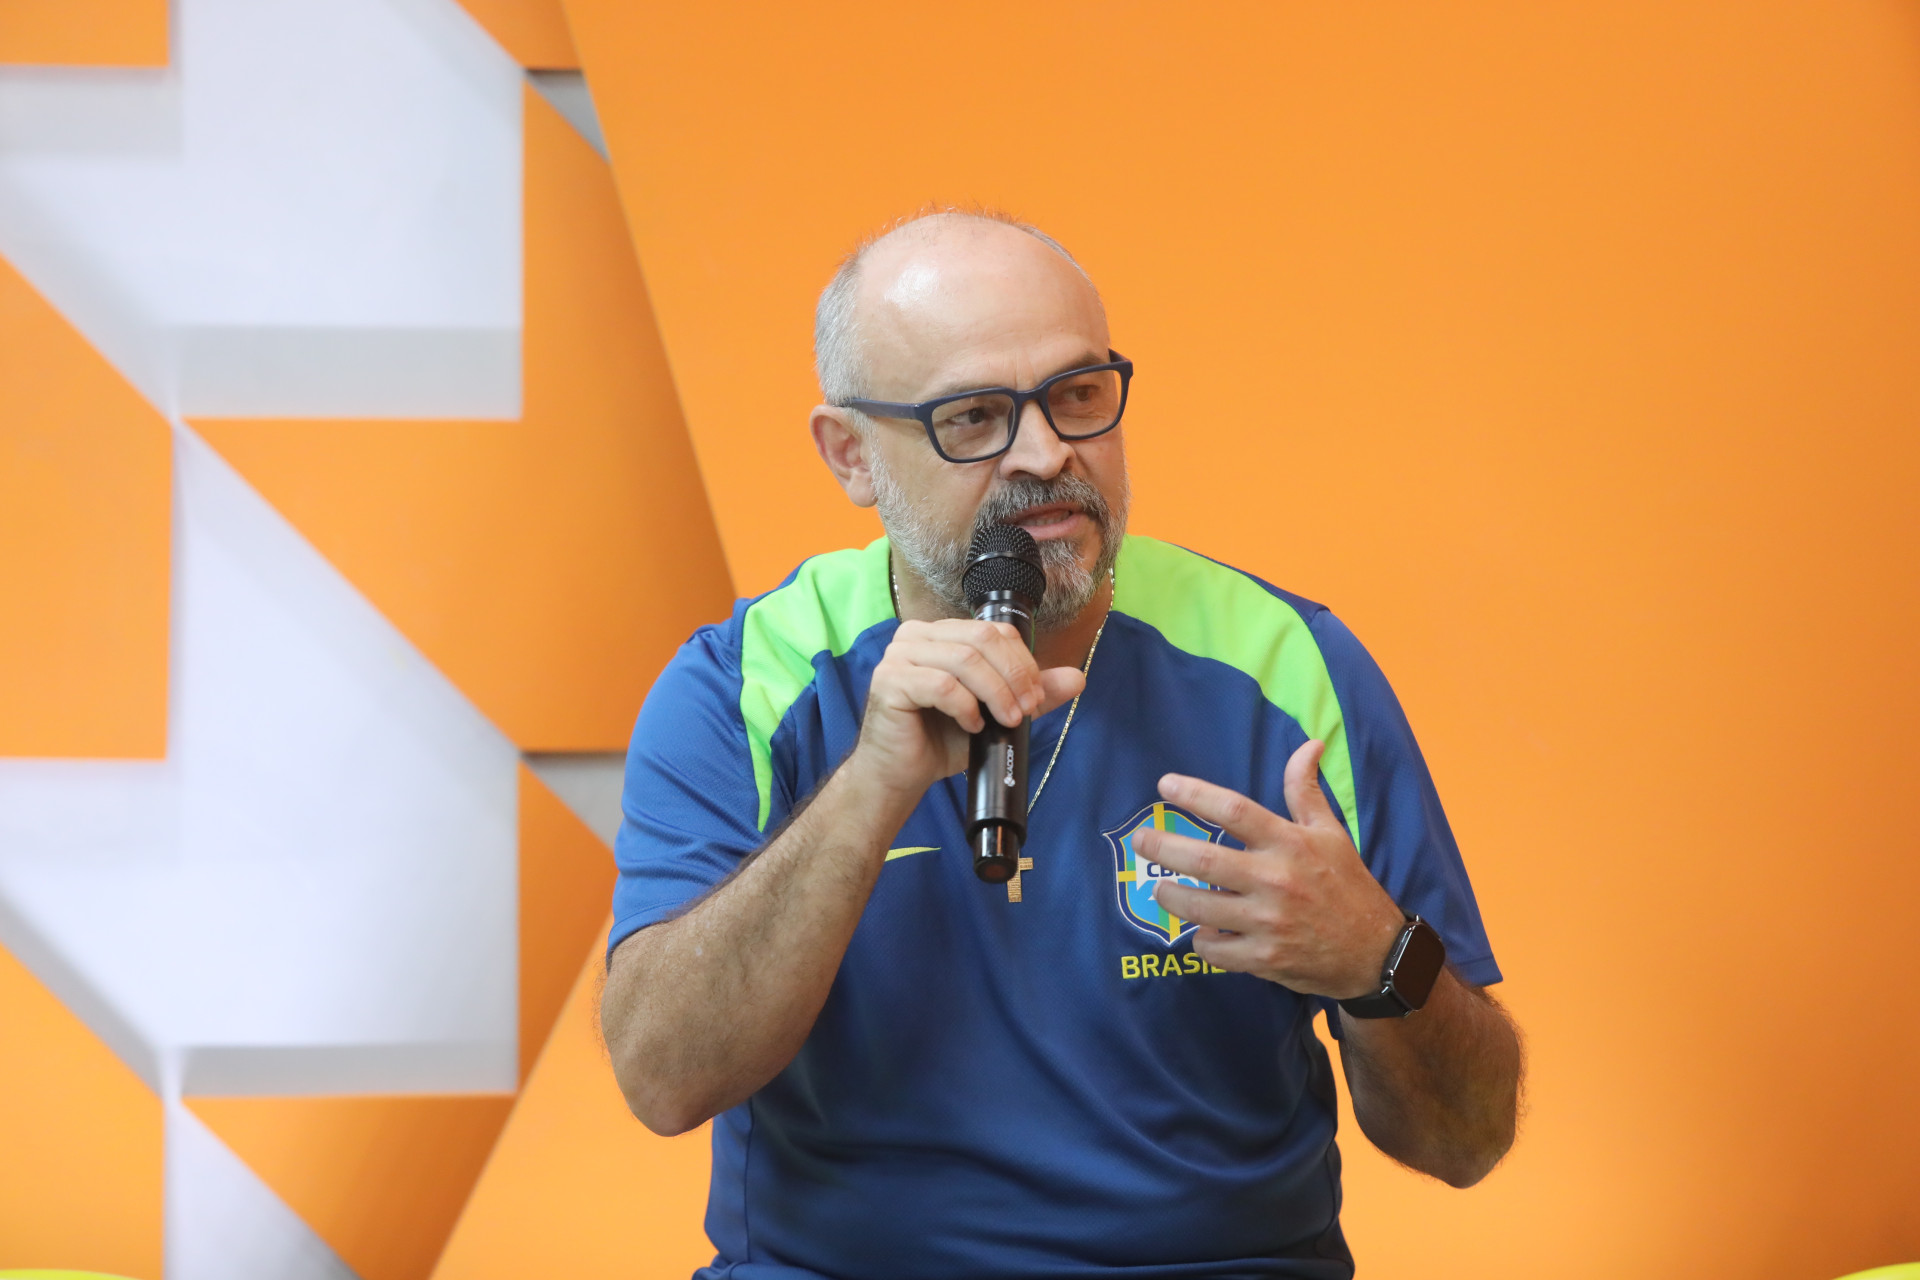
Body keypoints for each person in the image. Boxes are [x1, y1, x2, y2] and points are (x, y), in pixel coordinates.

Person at [600, 208, 1523, 1279]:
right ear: (851, 452)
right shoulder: (747, 681)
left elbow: (1468, 1138)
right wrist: (868, 788)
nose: (1048, 453)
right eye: (976, 416)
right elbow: (664, 1078)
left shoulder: (1283, 662)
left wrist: (1379, 957)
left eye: (1080, 394)